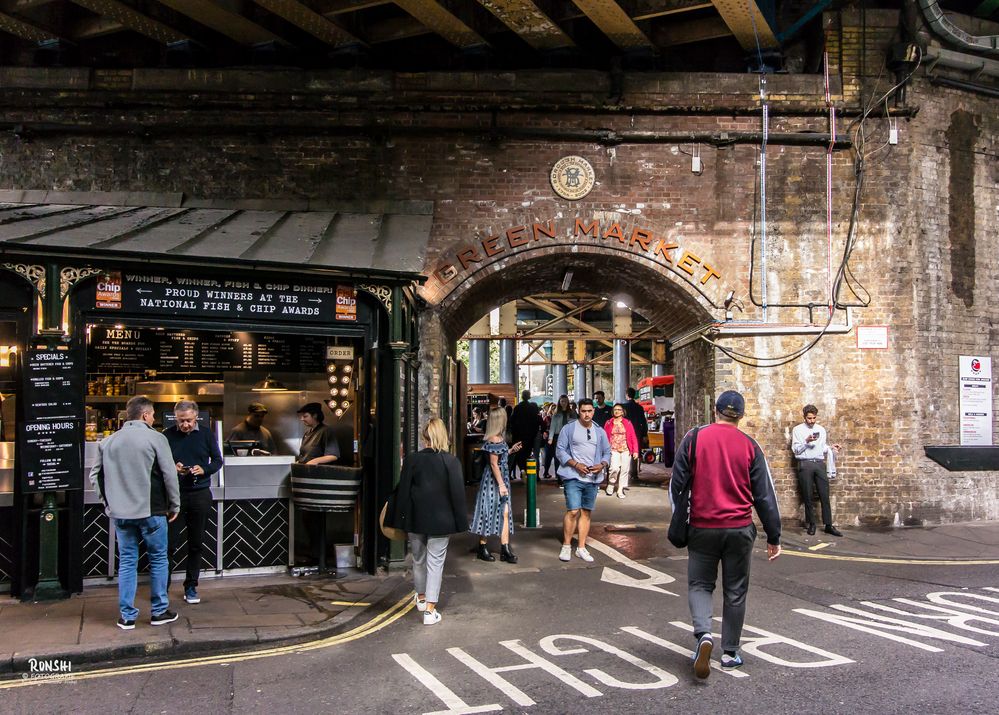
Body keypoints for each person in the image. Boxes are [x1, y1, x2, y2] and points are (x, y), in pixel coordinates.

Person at [669, 390, 782, 677]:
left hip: (702, 527)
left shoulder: (694, 438)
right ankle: (730, 652)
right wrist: (774, 535)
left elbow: (676, 485)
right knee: (736, 591)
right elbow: (765, 495)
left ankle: (704, 634)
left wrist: (680, 517)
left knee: (699, 585)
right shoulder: (750, 446)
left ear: (715, 411)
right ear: (741, 416)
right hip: (739, 529)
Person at [90, 396, 180, 630]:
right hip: (151, 510)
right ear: (144, 415)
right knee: (159, 559)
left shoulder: (108, 442)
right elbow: (169, 475)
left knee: (128, 561)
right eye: (151, 415)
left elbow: (96, 476)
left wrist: (108, 504)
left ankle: (127, 616)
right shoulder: (156, 438)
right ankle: (159, 611)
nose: (152, 419)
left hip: (121, 513)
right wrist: (175, 505)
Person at [386, 418, 468, 626]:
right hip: (442, 521)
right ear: (444, 437)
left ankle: (421, 599)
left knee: (418, 559)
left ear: (425, 438)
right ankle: (430, 611)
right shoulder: (451, 462)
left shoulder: (413, 460)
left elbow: (402, 490)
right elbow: (458, 495)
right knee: (435, 563)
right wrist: (460, 522)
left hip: (416, 519)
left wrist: (398, 519)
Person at [164, 400, 223, 605]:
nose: (185, 425)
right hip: (175, 494)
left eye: (188, 420)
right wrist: (174, 467)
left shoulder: (206, 434)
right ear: (175, 418)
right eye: (181, 421)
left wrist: (203, 469)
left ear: (196, 417)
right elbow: (159, 463)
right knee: (169, 544)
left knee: (196, 543)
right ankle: (163, 588)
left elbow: (217, 461)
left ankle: (191, 586)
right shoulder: (167, 435)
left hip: (200, 494)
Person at [556, 399, 611, 562]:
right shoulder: (569, 429)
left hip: (592, 478)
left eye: (589, 411)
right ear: (578, 411)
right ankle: (566, 546)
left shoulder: (599, 431)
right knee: (573, 510)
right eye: (583, 411)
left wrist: (602, 464)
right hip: (573, 476)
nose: (586, 414)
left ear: (593, 412)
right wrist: (576, 464)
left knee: (586, 512)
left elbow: (607, 452)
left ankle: (581, 547)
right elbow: (560, 451)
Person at [469, 406, 522, 563]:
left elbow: (498, 458)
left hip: (500, 480)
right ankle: (482, 546)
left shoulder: (498, 438)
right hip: (494, 481)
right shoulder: (494, 439)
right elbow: (493, 464)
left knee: (505, 513)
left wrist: (511, 450)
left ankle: (505, 548)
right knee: (488, 513)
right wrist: (501, 485)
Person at [791, 404, 843, 537]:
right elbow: (796, 450)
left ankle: (828, 525)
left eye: (814, 418)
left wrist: (831, 448)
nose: (812, 421)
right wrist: (806, 442)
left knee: (824, 495)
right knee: (807, 495)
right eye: (809, 418)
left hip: (819, 464)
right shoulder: (797, 430)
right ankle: (812, 524)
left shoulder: (821, 429)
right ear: (804, 417)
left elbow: (821, 448)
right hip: (805, 463)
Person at [603, 403, 639, 498]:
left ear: (623, 412)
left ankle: (620, 489)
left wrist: (635, 451)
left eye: (619, 409)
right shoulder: (608, 423)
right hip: (613, 449)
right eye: (615, 409)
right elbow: (604, 437)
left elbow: (633, 437)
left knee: (624, 470)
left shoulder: (628, 423)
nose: (617, 411)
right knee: (614, 468)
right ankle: (611, 483)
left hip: (626, 449)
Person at [509, 390, 541, 477]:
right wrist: (533, 434)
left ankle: (522, 469)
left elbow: (512, 421)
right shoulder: (532, 408)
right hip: (529, 436)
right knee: (527, 453)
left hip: (519, 435)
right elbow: (536, 422)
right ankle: (527, 471)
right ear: (529, 396)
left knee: (519, 453)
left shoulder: (517, 408)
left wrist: (514, 433)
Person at [546, 395, 576, 484]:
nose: (564, 403)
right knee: (558, 457)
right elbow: (552, 426)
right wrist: (550, 438)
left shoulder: (572, 413)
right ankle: (559, 477)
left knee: (569, 456)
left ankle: (568, 476)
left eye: (565, 401)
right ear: (559, 402)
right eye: (562, 401)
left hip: (569, 436)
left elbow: (575, 424)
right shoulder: (556, 413)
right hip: (557, 436)